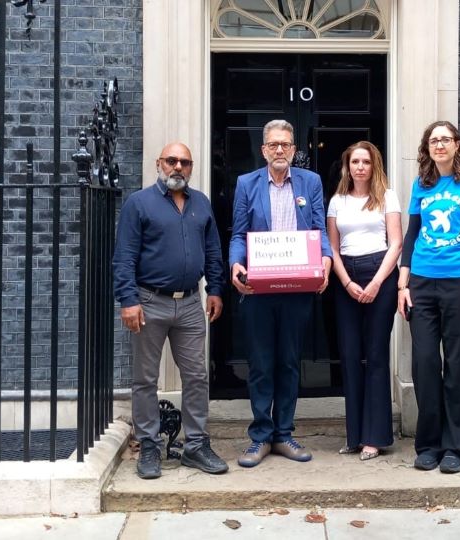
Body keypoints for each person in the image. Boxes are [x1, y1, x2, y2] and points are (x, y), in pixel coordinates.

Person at [113, 141, 228, 479]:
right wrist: (128, 300)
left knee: (196, 376)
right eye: (171, 161)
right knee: (145, 379)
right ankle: (148, 445)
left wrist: (216, 289)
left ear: (191, 168)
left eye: (185, 163)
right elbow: (124, 257)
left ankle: (195, 445)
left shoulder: (201, 203)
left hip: (192, 303)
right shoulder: (139, 204)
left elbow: (213, 250)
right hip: (149, 301)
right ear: (159, 164)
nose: (178, 167)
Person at [229, 119, 333, 467]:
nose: (279, 150)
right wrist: (235, 265)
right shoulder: (247, 184)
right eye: (273, 144)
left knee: (289, 362)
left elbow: (320, 229)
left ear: (293, 150)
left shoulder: (310, 182)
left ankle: (284, 433)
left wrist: (327, 260)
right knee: (260, 364)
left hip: (297, 287)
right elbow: (238, 234)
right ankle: (259, 437)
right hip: (259, 288)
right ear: (263, 150)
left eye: (285, 145)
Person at [397, 121, 460, 474]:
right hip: (422, 282)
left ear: (456, 144)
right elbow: (412, 235)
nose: (439, 145)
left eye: (445, 140)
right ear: (428, 147)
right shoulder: (421, 185)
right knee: (424, 364)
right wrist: (403, 284)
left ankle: (456, 446)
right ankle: (428, 444)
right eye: (433, 140)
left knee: (457, 367)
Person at [326, 141, 401, 461]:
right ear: (347, 166)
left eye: (365, 162)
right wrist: (345, 282)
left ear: (374, 166)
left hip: (379, 273)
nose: (359, 167)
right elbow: (332, 247)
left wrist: (375, 283)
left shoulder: (388, 196)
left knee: (376, 354)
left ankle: (376, 437)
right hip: (346, 278)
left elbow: (396, 243)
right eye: (354, 161)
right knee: (350, 355)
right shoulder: (337, 201)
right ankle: (355, 436)